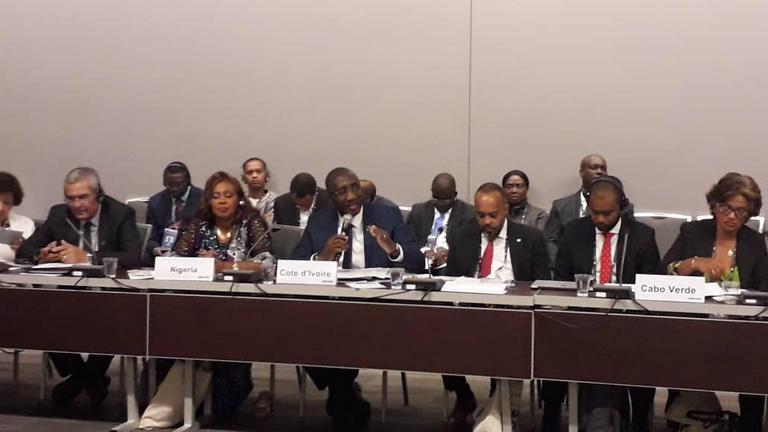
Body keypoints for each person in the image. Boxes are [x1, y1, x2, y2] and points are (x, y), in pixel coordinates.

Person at [290, 167, 420, 431]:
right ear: (330, 197)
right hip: (331, 305)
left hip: (376, 305)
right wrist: (322, 257)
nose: (350, 196)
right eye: (341, 192)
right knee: (296, 328)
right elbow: (294, 263)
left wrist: (394, 250)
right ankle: (345, 393)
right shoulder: (320, 220)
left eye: (354, 188)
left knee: (338, 335)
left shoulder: (387, 214)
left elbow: (418, 262)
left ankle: (341, 396)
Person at [140, 171, 273, 427]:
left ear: (239, 199)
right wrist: (198, 263)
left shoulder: (251, 222)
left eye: (228, 195)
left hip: (239, 309)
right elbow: (173, 260)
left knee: (221, 407)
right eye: (216, 196)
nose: (222, 201)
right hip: (197, 306)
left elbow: (267, 264)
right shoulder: (199, 223)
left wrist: (224, 265)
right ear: (209, 200)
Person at [16, 167, 141, 405]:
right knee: (39, 314)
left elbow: (134, 256)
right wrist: (41, 255)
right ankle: (89, 378)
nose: (76, 205)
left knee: (118, 319)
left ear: (99, 195)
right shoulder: (58, 214)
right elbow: (24, 250)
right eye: (70, 198)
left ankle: (80, 379)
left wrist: (89, 258)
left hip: (110, 296)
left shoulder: (120, 213)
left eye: (82, 197)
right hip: (69, 295)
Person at [545, 176, 661, 432]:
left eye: (607, 213)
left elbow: (652, 285)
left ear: (622, 207)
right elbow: (562, 279)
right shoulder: (574, 231)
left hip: (628, 320)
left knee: (644, 355)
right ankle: (550, 418)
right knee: (552, 347)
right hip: (581, 318)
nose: (599, 219)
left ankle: (639, 419)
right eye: (594, 212)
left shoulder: (641, 236)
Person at [662, 172, 768, 432]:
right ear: (714, 205)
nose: (732, 216)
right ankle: (680, 418)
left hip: (740, 331)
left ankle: (751, 424)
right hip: (693, 328)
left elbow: (763, 289)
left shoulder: (754, 242)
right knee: (674, 346)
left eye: (741, 211)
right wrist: (693, 263)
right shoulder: (693, 232)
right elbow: (661, 272)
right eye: (726, 208)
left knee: (757, 358)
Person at [444, 182, 550, 427]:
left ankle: (499, 405)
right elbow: (451, 280)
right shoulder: (462, 236)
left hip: (514, 316)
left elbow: (541, 282)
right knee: (439, 338)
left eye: (493, 215)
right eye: (480, 215)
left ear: (505, 209)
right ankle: (464, 395)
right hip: (471, 313)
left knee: (505, 341)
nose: (487, 222)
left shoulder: (531, 237)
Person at [544, 154, 616, 265]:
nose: (599, 172)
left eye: (603, 168)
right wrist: (561, 264)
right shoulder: (561, 206)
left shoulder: (619, 207)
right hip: (569, 266)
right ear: (581, 172)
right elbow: (550, 241)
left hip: (606, 263)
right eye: (594, 168)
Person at [406, 173, 475, 275]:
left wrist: (449, 253)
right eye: (436, 198)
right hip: (421, 262)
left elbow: (470, 245)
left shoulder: (468, 214)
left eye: (446, 200)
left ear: (455, 194)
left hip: (450, 266)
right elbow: (408, 239)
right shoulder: (418, 211)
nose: (440, 203)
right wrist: (424, 250)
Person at [146, 161, 203, 259]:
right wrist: (156, 248)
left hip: (194, 254)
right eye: (170, 184)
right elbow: (151, 237)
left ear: (188, 181)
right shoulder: (155, 202)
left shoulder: (203, 199)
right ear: (164, 183)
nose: (174, 188)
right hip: (164, 255)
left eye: (179, 184)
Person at [0, 172, 35, 263]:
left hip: (12, 271)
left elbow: (31, 260)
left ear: (13, 203)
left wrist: (23, 250)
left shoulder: (26, 224)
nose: (1, 208)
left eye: (6, 203)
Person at [241, 157, 278, 224]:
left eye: (259, 172)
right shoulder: (239, 200)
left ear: (266, 175)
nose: (254, 176)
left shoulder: (276, 200)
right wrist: (263, 219)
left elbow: (271, 224)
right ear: (243, 178)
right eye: (250, 172)